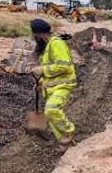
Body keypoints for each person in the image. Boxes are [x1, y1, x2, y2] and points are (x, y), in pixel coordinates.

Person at [28, 19, 77, 149]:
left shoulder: (57, 44)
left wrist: (42, 69)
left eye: (33, 35)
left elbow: (64, 66)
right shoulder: (47, 46)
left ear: (37, 34)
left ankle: (68, 130)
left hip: (64, 84)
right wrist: (41, 81)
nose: (33, 38)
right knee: (52, 118)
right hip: (52, 86)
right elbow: (52, 69)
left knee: (51, 110)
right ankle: (66, 146)